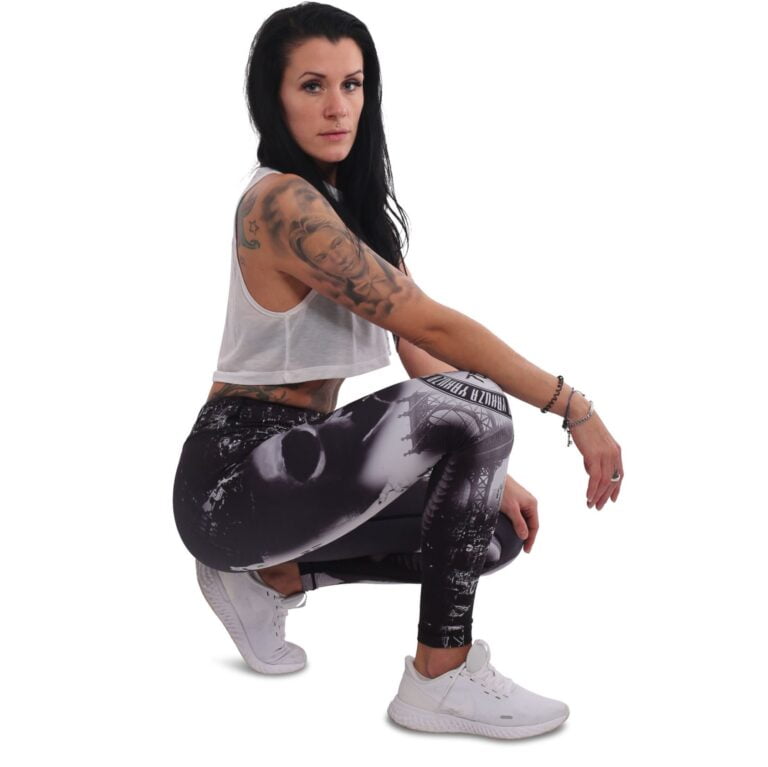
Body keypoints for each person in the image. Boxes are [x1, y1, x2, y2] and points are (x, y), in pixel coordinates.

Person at [172, 1, 624, 740]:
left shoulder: (347, 208)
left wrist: (490, 465)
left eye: (352, 84)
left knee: (491, 531)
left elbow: (418, 346)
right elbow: (434, 323)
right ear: (273, 99)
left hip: (296, 481)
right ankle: (439, 678)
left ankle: (276, 575)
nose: (337, 106)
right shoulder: (283, 202)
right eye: (312, 85)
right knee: (473, 403)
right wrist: (573, 407)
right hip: (232, 477)